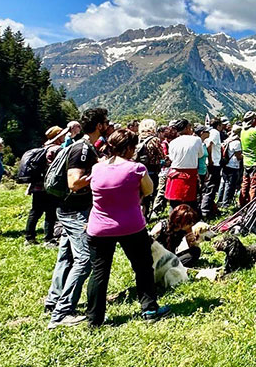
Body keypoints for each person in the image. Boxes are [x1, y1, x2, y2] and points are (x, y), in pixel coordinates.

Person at [83, 129, 169, 326]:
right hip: (131, 225)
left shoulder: (97, 168)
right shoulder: (136, 168)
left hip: (99, 227)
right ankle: (149, 309)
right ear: (130, 148)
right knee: (142, 267)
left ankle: (94, 319)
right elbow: (149, 190)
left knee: (99, 272)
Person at [47, 107, 108, 329]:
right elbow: (74, 182)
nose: (108, 125)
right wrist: (101, 170)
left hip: (68, 209)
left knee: (67, 256)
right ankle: (62, 313)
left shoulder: (85, 146)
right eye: (106, 122)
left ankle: (53, 300)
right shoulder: (82, 149)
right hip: (76, 212)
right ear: (99, 125)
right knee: (85, 260)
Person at [25, 126, 65, 246]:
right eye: (62, 134)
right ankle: (48, 239)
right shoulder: (57, 149)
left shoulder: (44, 148)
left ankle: (29, 238)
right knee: (50, 212)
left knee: (35, 212)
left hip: (37, 186)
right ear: (58, 136)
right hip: (49, 186)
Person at [164, 119, 202, 213]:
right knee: (191, 203)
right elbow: (200, 154)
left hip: (175, 174)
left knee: (174, 203)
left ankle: (173, 221)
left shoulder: (173, 142)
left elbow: (172, 157)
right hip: (190, 175)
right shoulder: (196, 140)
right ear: (186, 128)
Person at [236, 112, 256, 205]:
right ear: (253, 120)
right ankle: (251, 204)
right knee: (254, 185)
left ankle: (242, 203)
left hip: (246, 161)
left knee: (245, 183)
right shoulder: (255, 132)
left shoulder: (242, 131)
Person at [219, 124, 244, 209]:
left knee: (223, 183)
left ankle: (220, 200)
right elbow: (238, 156)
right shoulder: (237, 142)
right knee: (230, 185)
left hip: (225, 163)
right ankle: (226, 203)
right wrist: (244, 155)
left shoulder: (228, 140)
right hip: (233, 165)